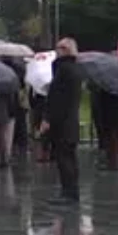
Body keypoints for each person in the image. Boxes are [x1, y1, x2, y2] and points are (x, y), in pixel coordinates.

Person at [42, 38, 84, 205]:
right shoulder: (74, 68)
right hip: (70, 120)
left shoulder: (64, 69)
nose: (56, 51)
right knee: (69, 158)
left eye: (58, 48)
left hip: (62, 122)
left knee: (64, 158)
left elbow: (57, 99)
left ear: (65, 49)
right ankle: (71, 192)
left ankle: (69, 194)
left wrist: (48, 119)